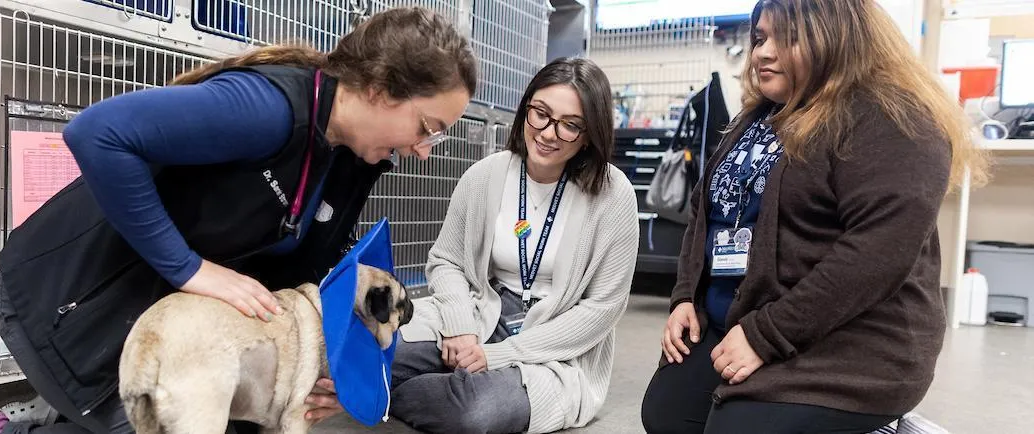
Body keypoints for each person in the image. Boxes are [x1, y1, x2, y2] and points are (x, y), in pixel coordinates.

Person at [0, 6, 477, 434]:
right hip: (63, 310)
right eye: (428, 127)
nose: (426, 150)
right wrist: (190, 269)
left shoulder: (352, 156)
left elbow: (316, 264)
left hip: (163, 324)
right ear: (381, 90)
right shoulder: (270, 108)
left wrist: (340, 364)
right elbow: (97, 134)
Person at [640, 1, 991, 433]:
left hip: (847, 341)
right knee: (667, 417)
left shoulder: (895, 119)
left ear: (837, 37)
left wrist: (764, 336)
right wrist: (685, 297)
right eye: (759, 38)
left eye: (785, 38)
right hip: (743, 319)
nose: (762, 53)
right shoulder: (761, 115)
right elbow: (706, 209)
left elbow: (875, 256)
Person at [388, 57, 640, 434]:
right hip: (484, 312)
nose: (549, 133)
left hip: (556, 342)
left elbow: (601, 310)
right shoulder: (485, 175)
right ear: (525, 110)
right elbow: (447, 261)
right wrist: (459, 327)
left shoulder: (613, 195)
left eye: (570, 125)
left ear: (589, 134)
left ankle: (402, 394)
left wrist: (497, 356)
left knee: (476, 411)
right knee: (377, 353)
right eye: (540, 113)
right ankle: (433, 382)